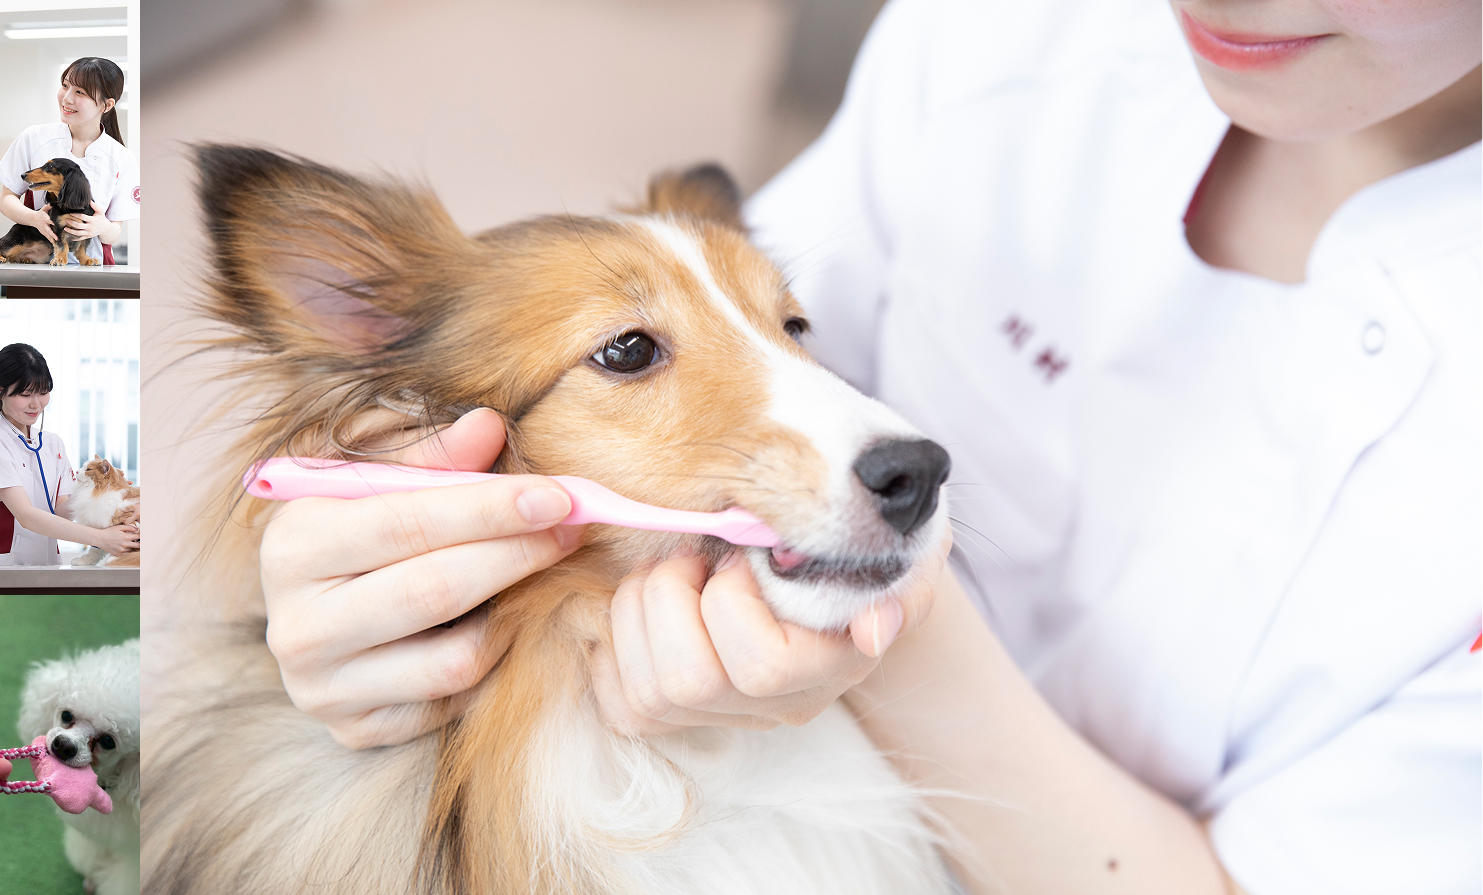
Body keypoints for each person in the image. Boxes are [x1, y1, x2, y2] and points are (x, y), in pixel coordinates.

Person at [256, 0, 1481, 892]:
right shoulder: (999, 34)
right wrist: (359, 572)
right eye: (630, 353)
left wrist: (885, 626)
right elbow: (734, 301)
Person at [0, 343, 138, 565]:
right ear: (1, 391)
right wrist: (101, 539)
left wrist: (105, 495)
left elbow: (61, 509)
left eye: (43, 393)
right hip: (7, 567)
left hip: (49, 565)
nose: (36, 404)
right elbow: (25, 515)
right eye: (25, 395)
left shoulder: (52, 443)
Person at [0, 57, 138, 265]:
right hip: (36, 267)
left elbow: (114, 233)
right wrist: (34, 219)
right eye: (65, 86)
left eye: (80, 92)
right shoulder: (34, 138)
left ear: (107, 105)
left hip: (93, 270)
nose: (67, 98)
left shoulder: (121, 157)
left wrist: (103, 227)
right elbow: (5, 198)